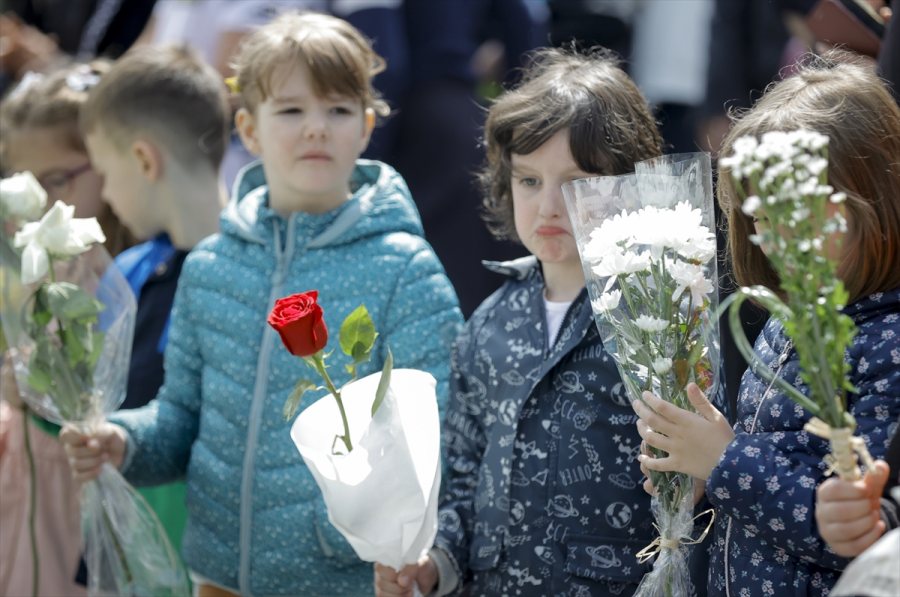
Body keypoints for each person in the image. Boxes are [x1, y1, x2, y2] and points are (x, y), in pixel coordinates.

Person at [61, 11, 462, 597]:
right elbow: (179, 419)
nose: (317, 128)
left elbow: (438, 441)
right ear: (247, 129)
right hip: (217, 579)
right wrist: (122, 442)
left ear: (367, 126)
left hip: (346, 584)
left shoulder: (406, 269)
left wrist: (365, 539)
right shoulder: (211, 266)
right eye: (291, 110)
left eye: (339, 110)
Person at [375, 46, 666, 597]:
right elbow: (462, 476)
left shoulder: (655, 316)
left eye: (577, 181)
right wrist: (434, 564)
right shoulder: (489, 322)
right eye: (529, 180)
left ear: (628, 184)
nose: (549, 205)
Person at [632, 53, 900, 596]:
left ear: (876, 199)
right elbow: (774, 462)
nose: (779, 242)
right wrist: (699, 473)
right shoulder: (787, 319)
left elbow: (852, 526)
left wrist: (725, 459)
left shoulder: (888, 341)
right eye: (765, 220)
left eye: (804, 216)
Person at [74, 43, 231, 584]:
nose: (109, 197)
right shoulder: (133, 270)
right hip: (132, 553)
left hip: (209, 559)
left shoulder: (251, 274)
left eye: (105, 173)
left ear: (143, 160)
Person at [0, 60, 137, 597]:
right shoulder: (24, 266)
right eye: (20, 183)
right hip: (23, 475)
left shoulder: (122, 270)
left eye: (56, 179)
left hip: (78, 481)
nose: (40, 202)